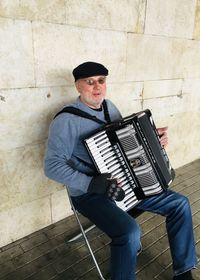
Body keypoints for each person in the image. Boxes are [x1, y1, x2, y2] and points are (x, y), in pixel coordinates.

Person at [44, 61, 197, 280]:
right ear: (78, 86)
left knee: (179, 204)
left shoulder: (110, 107)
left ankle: (183, 272)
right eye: (89, 82)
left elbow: (126, 142)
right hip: (89, 194)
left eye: (101, 80)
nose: (97, 86)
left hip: (126, 183)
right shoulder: (66, 121)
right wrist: (91, 183)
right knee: (129, 231)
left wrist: (154, 139)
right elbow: (51, 167)